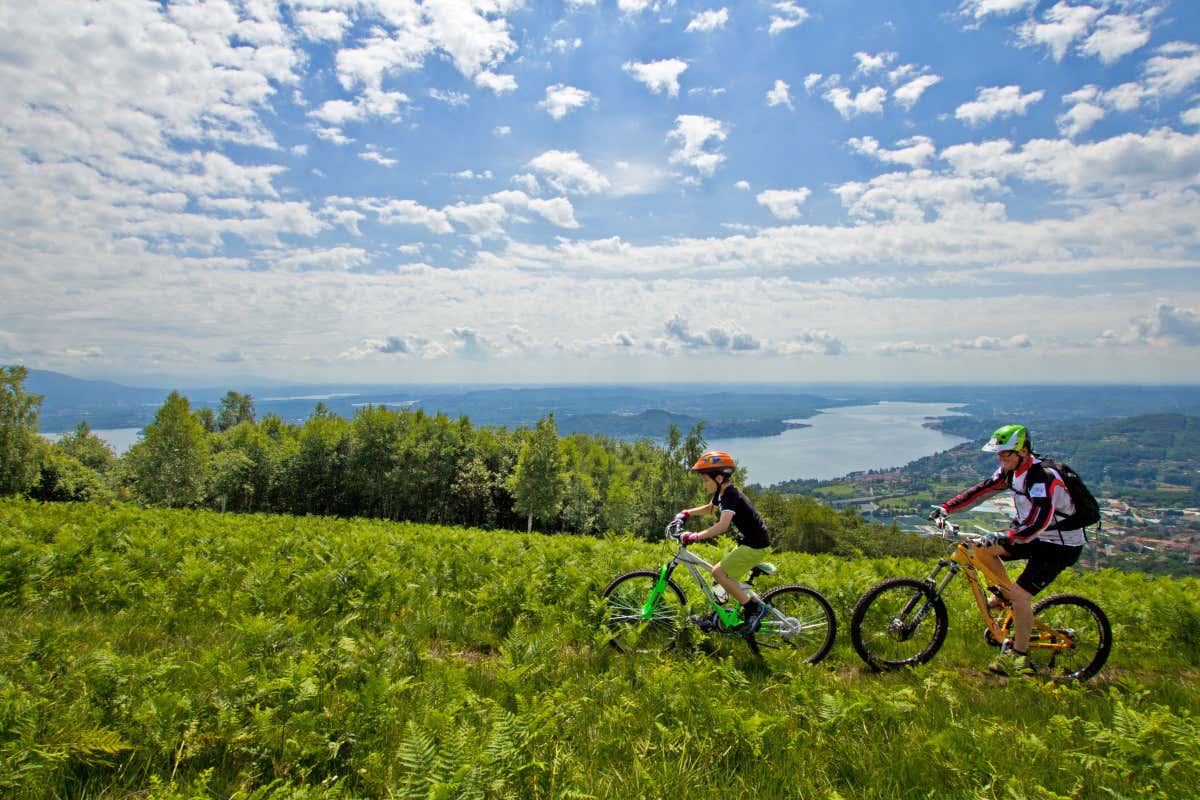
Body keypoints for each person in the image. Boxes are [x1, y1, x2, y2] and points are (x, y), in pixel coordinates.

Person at [929, 424, 1085, 676]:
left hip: (1059, 544)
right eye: (998, 455)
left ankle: (1019, 657)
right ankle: (1005, 598)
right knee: (981, 549)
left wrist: (1006, 535)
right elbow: (981, 491)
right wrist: (947, 507)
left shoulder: (1043, 478)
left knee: (1020, 596)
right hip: (1032, 537)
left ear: (1023, 452)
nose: (1000, 459)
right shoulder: (1010, 472)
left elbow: (1039, 521)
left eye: (1006, 454)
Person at [675, 450, 771, 634]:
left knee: (717, 572)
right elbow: (710, 508)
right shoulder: (724, 493)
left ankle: (754, 609)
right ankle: (719, 617)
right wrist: (687, 512)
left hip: (755, 546)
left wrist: (697, 535)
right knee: (719, 583)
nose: (704, 484)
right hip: (750, 543)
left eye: (705, 480)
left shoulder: (730, 495)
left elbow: (723, 525)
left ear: (718, 478)